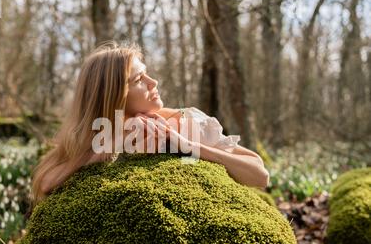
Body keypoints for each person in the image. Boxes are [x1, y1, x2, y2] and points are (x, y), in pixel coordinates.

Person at [31, 42, 269, 206]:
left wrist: (187, 146)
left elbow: (259, 175)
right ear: (114, 96)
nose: (153, 81)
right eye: (138, 79)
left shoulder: (184, 119)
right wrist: (108, 146)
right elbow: (46, 183)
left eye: (147, 73)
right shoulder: (100, 135)